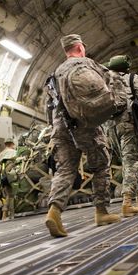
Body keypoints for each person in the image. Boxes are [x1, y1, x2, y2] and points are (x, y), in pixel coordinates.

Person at [45, 34, 120, 238]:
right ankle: (101, 212)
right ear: (80, 47)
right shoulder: (87, 63)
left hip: (61, 126)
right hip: (85, 125)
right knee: (100, 165)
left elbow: (49, 105)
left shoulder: (56, 72)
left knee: (65, 170)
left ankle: (54, 212)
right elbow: (112, 84)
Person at [107, 55, 138, 215]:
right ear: (126, 67)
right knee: (131, 162)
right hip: (128, 123)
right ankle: (127, 202)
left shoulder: (105, 79)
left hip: (111, 127)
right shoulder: (132, 77)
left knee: (128, 161)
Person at [0, 138, 17, 220]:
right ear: (12, 144)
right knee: (12, 195)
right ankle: (11, 214)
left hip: (2, 177)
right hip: (12, 176)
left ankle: (5, 214)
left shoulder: (0, 155)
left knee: (8, 195)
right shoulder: (14, 153)